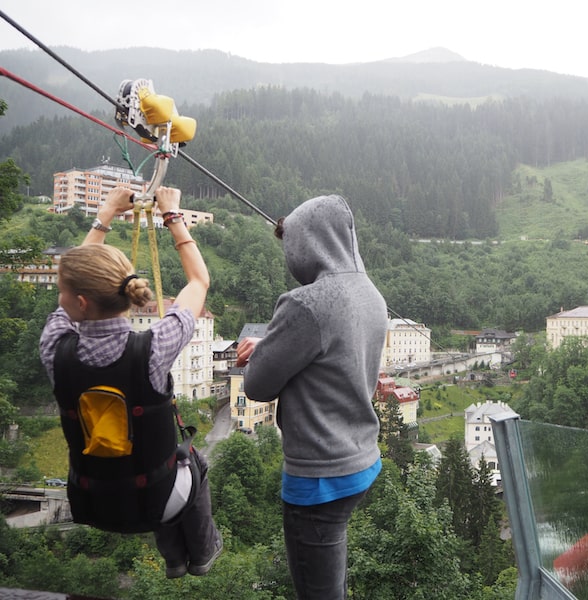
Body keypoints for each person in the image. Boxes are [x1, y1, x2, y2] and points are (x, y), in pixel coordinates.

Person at [39, 186, 222, 579]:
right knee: (192, 460)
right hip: (158, 503)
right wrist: (173, 217)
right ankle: (197, 555)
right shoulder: (152, 349)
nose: (61, 295)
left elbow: (74, 284)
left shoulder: (55, 348)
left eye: (63, 290)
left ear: (81, 302)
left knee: (170, 464)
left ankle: (174, 558)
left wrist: (104, 215)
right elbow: (199, 281)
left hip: (90, 501)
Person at [236, 194, 388, 600]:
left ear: (304, 246)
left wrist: (264, 352)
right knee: (330, 576)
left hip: (321, 473)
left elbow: (257, 386)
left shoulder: (307, 303)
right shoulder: (371, 294)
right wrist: (274, 342)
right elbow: (330, 350)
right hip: (360, 458)